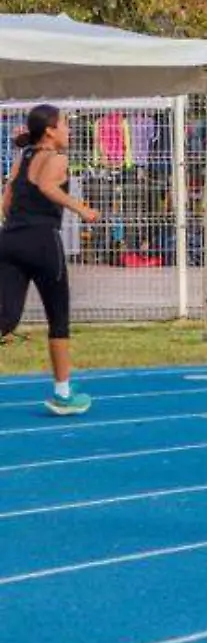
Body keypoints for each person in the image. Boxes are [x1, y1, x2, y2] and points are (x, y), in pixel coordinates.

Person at [1, 105, 102, 415]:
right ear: (50, 130)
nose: (69, 131)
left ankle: (63, 392)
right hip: (43, 242)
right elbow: (46, 187)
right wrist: (81, 209)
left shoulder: (23, 157)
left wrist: (16, 227)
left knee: (6, 318)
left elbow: (6, 199)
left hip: (9, 240)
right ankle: (62, 394)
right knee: (58, 319)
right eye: (65, 125)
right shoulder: (57, 159)